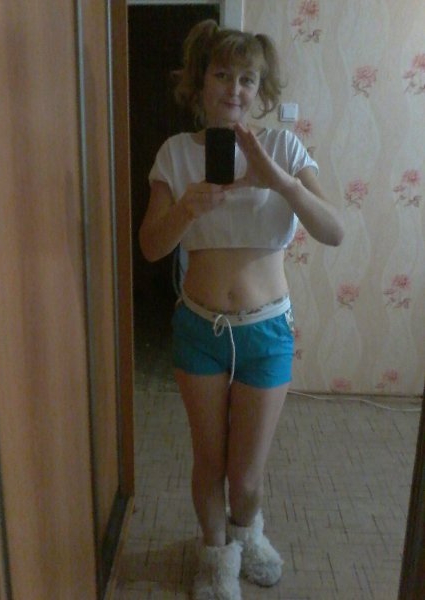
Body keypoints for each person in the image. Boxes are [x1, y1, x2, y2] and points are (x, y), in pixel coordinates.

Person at [139, 19, 344, 600]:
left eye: (247, 79)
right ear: (200, 82)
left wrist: (282, 182)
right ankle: (215, 559)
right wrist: (187, 208)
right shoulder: (176, 155)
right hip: (198, 329)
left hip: (266, 331)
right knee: (209, 462)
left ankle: (248, 535)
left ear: (260, 89)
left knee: (246, 475)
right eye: (222, 74)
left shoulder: (284, 148)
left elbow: (334, 231)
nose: (235, 89)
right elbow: (151, 246)